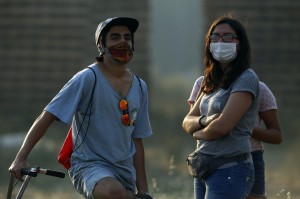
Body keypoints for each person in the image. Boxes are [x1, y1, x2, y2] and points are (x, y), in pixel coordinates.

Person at [9, 17, 153, 199]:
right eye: (115, 37)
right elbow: (47, 115)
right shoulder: (87, 78)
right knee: (113, 192)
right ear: (101, 45)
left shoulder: (140, 87)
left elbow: (137, 140)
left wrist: (144, 192)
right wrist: (20, 158)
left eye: (128, 37)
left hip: (124, 171)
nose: (123, 42)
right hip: (89, 165)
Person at [182, 16, 261, 199]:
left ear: (239, 44)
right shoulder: (210, 79)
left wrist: (197, 132)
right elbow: (187, 121)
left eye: (228, 37)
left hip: (230, 168)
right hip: (204, 165)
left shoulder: (246, 78)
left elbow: (222, 128)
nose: (220, 41)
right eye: (215, 37)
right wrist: (206, 120)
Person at [188, 78, 282, 199]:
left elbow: (276, 136)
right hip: (207, 156)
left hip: (249, 156)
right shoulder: (204, 84)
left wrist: (241, 126)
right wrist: (213, 123)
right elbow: (192, 124)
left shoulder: (259, 88)